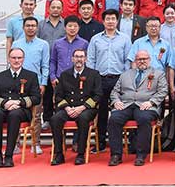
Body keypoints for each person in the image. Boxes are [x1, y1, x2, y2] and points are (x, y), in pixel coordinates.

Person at [107, 50, 168, 166]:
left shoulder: (158, 74)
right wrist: (116, 101)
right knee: (114, 119)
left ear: (149, 60)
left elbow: (163, 91)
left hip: (146, 105)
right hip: (126, 104)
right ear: (135, 61)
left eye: (144, 59)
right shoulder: (125, 74)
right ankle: (116, 155)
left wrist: (152, 102)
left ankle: (141, 155)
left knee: (144, 119)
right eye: (139, 59)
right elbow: (115, 91)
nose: (142, 61)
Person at [87, 9, 132, 152]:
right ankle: (100, 142)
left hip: (118, 79)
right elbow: (91, 60)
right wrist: (93, 79)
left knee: (119, 110)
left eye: (113, 18)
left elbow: (127, 61)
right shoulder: (95, 39)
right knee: (101, 112)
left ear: (117, 21)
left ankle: (120, 143)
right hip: (100, 79)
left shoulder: (124, 39)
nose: (111, 21)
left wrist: (124, 79)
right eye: (108, 19)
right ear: (103, 21)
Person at [50, 48, 103, 166]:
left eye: (81, 57)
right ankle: (59, 154)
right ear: (72, 59)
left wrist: (82, 107)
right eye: (77, 57)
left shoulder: (94, 74)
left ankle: (80, 154)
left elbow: (98, 95)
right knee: (55, 119)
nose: (79, 59)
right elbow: (58, 96)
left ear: (85, 59)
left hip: (86, 109)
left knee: (83, 119)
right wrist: (67, 108)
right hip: (68, 108)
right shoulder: (64, 75)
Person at [0, 48, 41, 168]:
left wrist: (19, 102)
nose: (16, 60)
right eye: (14, 58)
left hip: (22, 111)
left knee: (14, 115)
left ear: (23, 59)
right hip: (2, 109)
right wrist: (5, 103)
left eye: (19, 58)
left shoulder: (31, 76)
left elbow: (36, 98)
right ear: (9, 59)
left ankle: (9, 156)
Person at [12, 17, 49, 155]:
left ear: (37, 27)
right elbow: (13, 63)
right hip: (18, 84)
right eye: (28, 25)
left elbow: (45, 66)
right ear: (23, 27)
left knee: (37, 114)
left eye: (33, 25)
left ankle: (36, 143)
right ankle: (15, 143)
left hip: (36, 84)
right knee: (14, 113)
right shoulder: (16, 43)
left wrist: (43, 83)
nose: (31, 28)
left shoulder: (43, 44)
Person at [38, 0, 64, 134]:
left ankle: (59, 117)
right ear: (49, 8)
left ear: (62, 9)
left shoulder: (65, 25)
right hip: (45, 63)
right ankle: (47, 118)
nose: (55, 9)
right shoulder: (41, 25)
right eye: (53, 7)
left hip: (61, 64)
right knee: (47, 92)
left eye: (58, 7)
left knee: (60, 92)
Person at [50, 17, 89, 92]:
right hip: (60, 78)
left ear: (79, 28)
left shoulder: (84, 43)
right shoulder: (57, 43)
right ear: (65, 27)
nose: (72, 28)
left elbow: (87, 62)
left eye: (75, 26)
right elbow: (53, 61)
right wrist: (52, 77)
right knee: (59, 102)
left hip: (78, 78)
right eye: (70, 26)